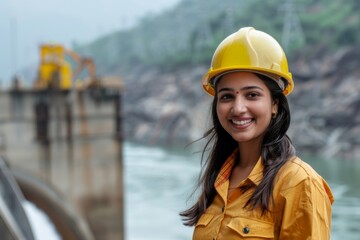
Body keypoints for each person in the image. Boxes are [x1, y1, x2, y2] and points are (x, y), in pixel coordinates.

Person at [180, 27, 334, 239]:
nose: (238, 108)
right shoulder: (219, 178)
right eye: (226, 97)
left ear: (275, 105)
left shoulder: (298, 183)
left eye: (252, 95)